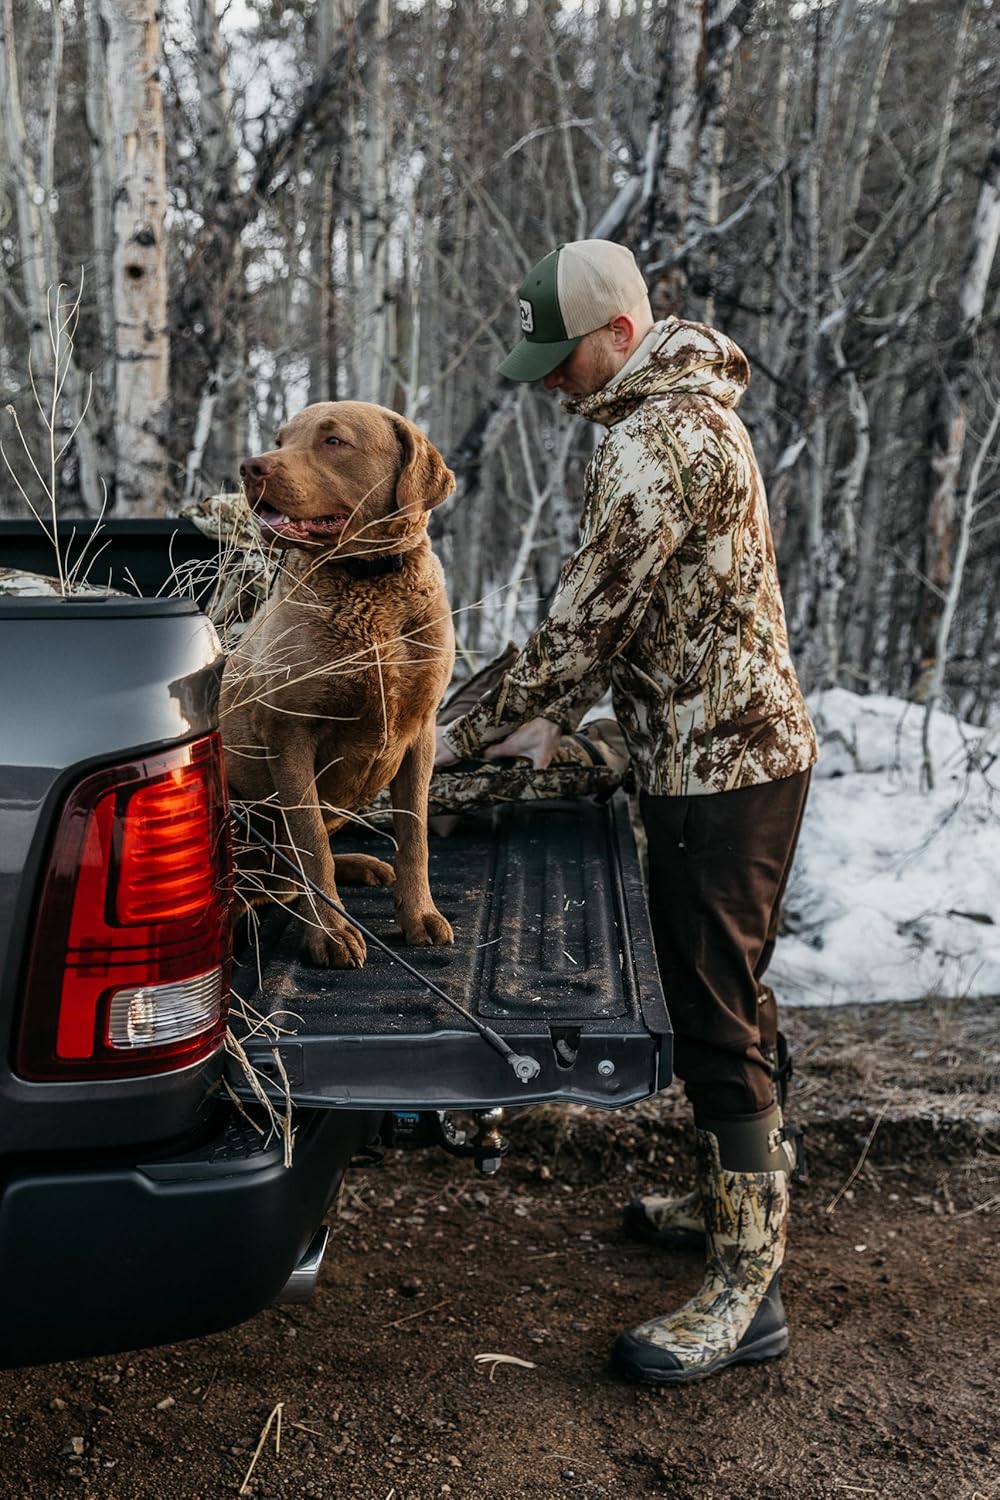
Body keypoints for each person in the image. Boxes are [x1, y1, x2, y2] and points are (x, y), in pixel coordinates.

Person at [433, 239, 818, 1385]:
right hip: (716, 751)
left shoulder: (654, 442)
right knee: (730, 987)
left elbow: (579, 633)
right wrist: (561, 717)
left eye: (561, 359)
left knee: (711, 1011)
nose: (550, 382)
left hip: (720, 770)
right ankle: (729, 1206)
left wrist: (448, 734)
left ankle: (747, 1289)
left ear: (618, 334)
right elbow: (640, 618)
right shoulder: (678, 416)